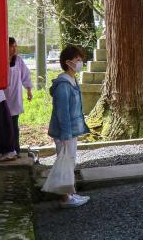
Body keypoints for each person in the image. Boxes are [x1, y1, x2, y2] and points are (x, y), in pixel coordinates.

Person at [42, 45, 91, 208]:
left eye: (80, 59)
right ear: (68, 62)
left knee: (69, 161)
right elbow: (62, 112)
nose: (80, 62)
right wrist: (66, 135)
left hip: (71, 130)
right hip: (65, 132)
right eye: (77, 60)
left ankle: (68, 194)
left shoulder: (72, 79)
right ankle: (65, 197)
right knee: (66, 161)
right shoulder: (64, 84)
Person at [5, 37, 33, 156]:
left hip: (15, 97)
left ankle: (16, 149)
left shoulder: (19, 61)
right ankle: (6, 150)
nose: (14, 48)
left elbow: (25, 75)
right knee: (4, 125)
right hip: (2, 97)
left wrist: (29, 90)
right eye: (12, 46)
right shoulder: (0, 60)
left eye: (16, 46)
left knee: (14, 125)